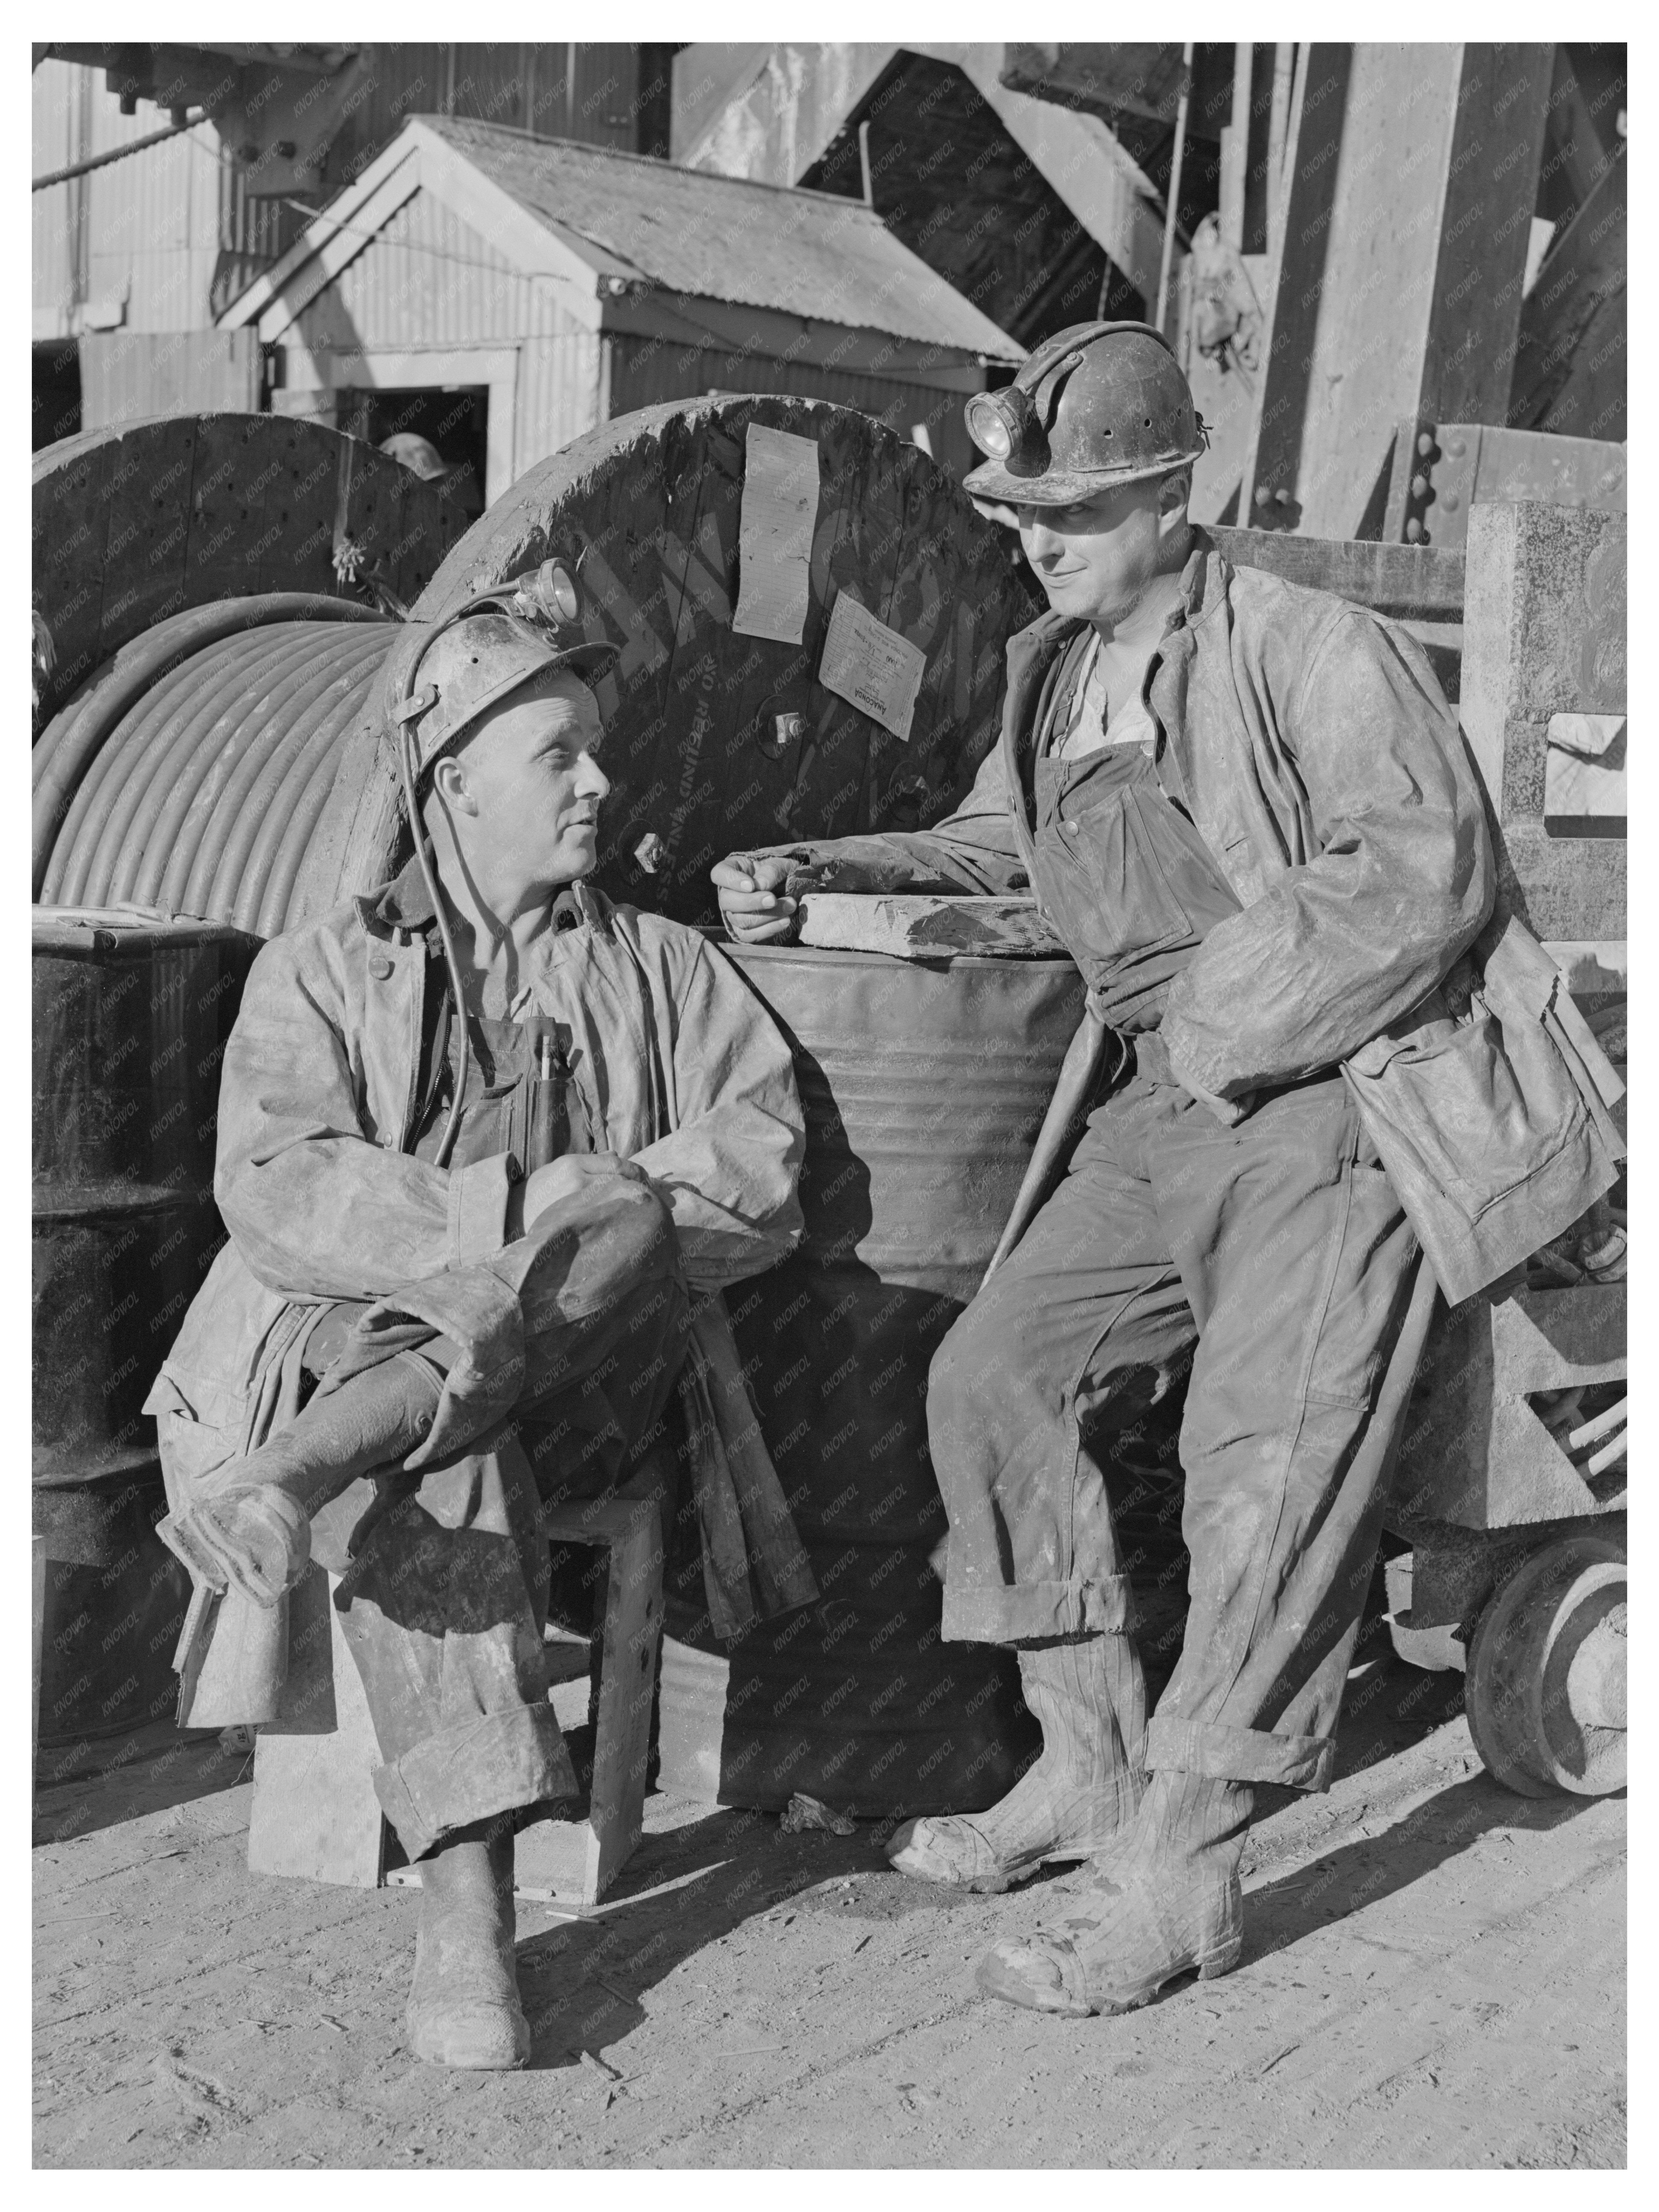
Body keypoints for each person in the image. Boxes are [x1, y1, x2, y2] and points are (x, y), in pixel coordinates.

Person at [712, 323, 1624, 2019]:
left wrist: (1219, 1013)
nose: (1038, 541)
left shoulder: (1307, 644)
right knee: (995, 1373)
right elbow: (1008, 844)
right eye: (1022, 514)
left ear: (1167, 494)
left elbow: (1422, 873)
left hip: (1341, 1097)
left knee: (1257, 1460)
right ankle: (1088, 1762)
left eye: (1074, 511)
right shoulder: (1053, 672)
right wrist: (824, 857)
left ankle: (1188, 1863)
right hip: (1170, 1104)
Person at [148, 569, 808, 2069]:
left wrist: (592, 1210)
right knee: (445, 1423)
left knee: (613, 1226)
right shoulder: (317, 975)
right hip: (368, 1377)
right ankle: (470, 1896)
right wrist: (492, 1213)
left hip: (593, 1371)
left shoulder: (660, 970)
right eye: (556, 756)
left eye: (596, 748)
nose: (601, 781)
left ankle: (295, 1474)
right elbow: (273, 1186)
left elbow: (764, 1162)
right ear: (451, 783)